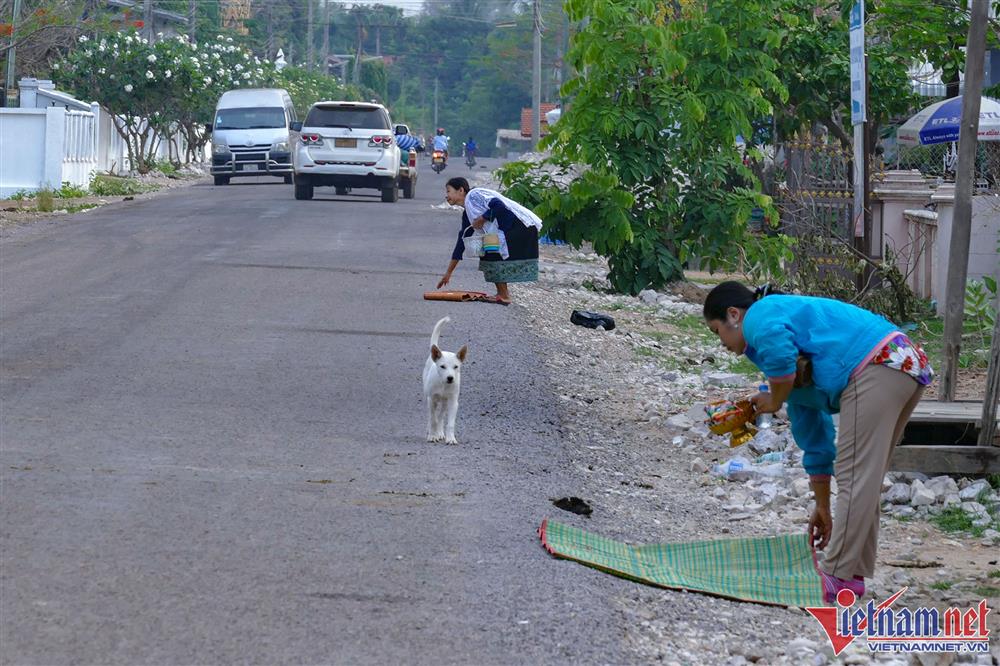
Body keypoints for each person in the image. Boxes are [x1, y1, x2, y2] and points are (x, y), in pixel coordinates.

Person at [703, 282, 932, 603]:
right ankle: (851, 577)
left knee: (856, 476)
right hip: (902, 362)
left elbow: (780, 362)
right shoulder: (800, 360)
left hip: (877, 363)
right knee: (865, 478)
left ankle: (837, 574)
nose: (721, 343)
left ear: (733, 314)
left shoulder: (760, 314)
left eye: (717, 331)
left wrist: (772, 399)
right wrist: (822, 506)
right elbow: (816, 439)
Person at [436, 177, 541, 305]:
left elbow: (499, 205)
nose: (446, 196)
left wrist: (483, 218)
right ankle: (503, 294)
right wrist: (448, 273)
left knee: (490, 250)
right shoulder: (468, 213)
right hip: (511, 229)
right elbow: (462, 240)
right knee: (489, 250)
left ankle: (504, 295)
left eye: (448, 191)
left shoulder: (475, 195)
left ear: (461, 190)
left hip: (519, 226)